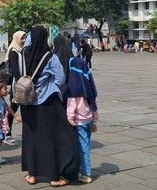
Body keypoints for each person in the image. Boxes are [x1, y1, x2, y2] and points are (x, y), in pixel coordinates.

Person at [21, 26, 78, 187]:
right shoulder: (49, 56)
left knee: (31, 138)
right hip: (46, 102)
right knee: (52, 138)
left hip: (26, 102)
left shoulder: (24, 55)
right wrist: (48, 88)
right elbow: (60, 78)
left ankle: (32, 174)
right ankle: (54, 176)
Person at [67, 56, 99, 184]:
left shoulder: (74, 86)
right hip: (89, 120)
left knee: (83, 147)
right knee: (85, 145)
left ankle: (86, 173)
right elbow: (94, 106)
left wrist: (70, 118)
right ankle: (82, 170)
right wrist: (95, 121)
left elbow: (71, 106)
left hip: (79, 122)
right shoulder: (89, 85)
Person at [4, 30, 26, 145]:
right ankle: (7, 134)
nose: (23, 40)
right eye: (21, 38)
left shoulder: (22, 50)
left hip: (23, 83)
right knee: (13, 108)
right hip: (17, 84)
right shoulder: (13, 51)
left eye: (24, 38)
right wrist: (20, 84)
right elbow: (16, 70)